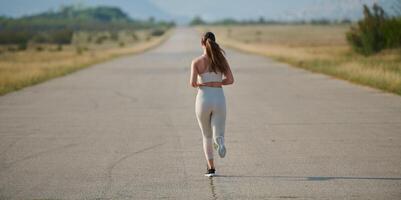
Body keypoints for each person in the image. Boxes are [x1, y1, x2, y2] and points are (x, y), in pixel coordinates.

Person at [189, 32, 234, 177]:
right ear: (214, 42)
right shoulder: (221, 60)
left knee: (206, 135)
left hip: (203, 98)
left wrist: (204, 82)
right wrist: (217, 82)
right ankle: (220, 141)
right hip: (219, 97)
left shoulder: (196, 62)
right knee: (218, 132)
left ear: (202, 43)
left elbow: (193, 83)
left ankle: (211, 169)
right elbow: (230, 80)